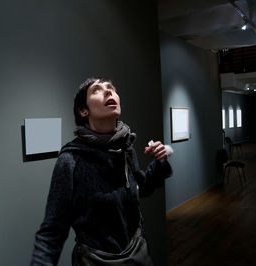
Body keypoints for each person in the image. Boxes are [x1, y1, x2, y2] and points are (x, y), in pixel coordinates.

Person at [31, 77, 172, 265]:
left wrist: (160, 161)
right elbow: (52, 231)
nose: (108, 91)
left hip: (137, 254)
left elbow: (142, 188)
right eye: (97, 90)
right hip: (96, 260)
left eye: (111, 88)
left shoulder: (125, 147)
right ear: (83, 111)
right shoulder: (71, 159)